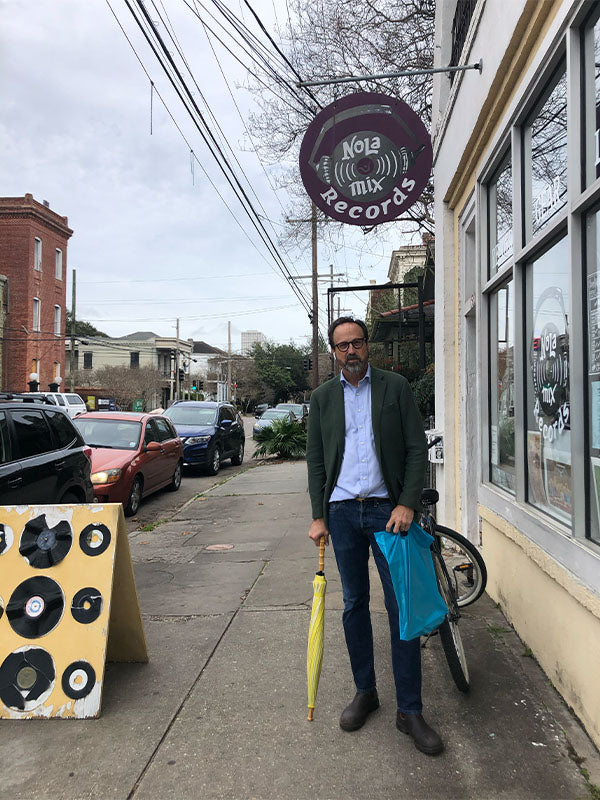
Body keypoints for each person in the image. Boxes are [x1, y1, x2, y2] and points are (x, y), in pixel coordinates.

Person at [306, 316, 443, 756]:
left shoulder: (395, 387)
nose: (351, 351)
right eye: (342, 345)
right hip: (342, 513)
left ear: (368, 346)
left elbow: (416, 447)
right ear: (333, 352)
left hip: (389, 513)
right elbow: (315, 461)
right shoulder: (322, 398)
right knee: (353, 605)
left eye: (357, 342)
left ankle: (410, 709)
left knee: (402, 606)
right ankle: (366, 691)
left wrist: (407, 502)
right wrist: (318, 515)